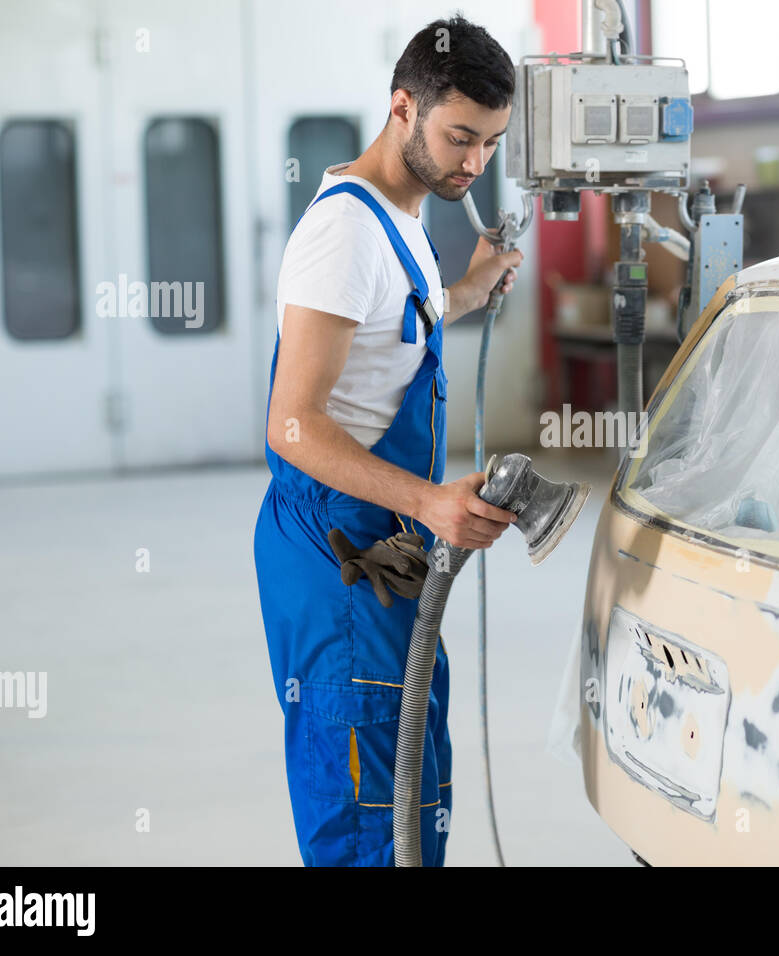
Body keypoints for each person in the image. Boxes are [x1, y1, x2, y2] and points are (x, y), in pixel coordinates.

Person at [253, 16, 524, 867]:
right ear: (402, 107)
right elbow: (291, 424)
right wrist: (430, 501)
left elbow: (384, 332)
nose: (473, 165)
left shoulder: (402, 218)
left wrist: (468, 290)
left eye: (490, 144)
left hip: (388, 554)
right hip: (342, 560)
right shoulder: (342, 234)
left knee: (410, 799)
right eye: (458, 138)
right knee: (370, 819)